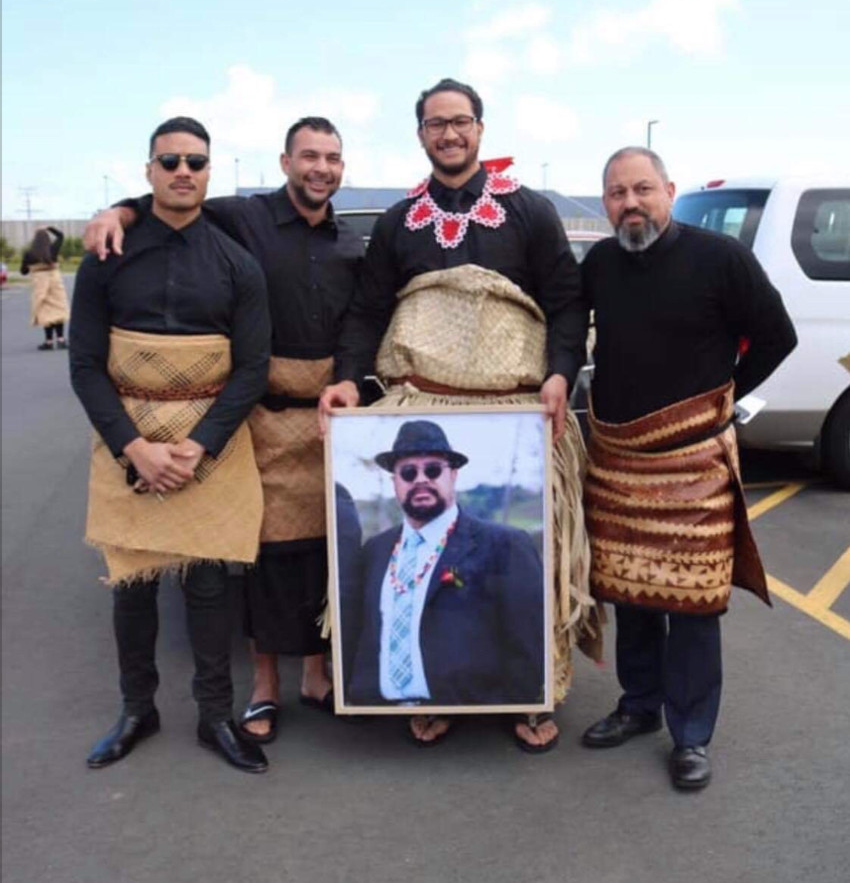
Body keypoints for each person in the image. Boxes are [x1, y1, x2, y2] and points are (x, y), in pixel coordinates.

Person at [320, 78, 597, 752]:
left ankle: (532, 695)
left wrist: (561, 373)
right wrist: (345, 382)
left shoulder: (528, 211)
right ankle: (428, 690)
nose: (449, 133)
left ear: (481, 129)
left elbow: (566, 300)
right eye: (436, 124)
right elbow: (367, 311)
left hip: (517, 409)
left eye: (461, 122)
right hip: (424, 394)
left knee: (529, 565)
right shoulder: (396, 223)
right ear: (420, 134)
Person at [82, 116, 364, 742]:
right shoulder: (243, 220)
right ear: (285, 162)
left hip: (307, 419)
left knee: (311, 553)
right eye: (309, 156)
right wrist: (117, 212)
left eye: (333, 157)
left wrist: (347, 377)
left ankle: (288, 688)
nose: (321, 167)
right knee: (234, 560)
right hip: (234, 419)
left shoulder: (347, 242)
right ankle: (219, 697)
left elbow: (357, 323)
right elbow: (86, 358)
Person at [579, 146, 797, 791]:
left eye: (642, 189)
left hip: (695, 458)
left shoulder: (720, 258)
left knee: (696, 603)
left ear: (669, 191)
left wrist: (721, 395)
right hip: (618, 459)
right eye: (617, 194)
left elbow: (777, 334)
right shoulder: (600, 263)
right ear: (605, 203)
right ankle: (639, 705)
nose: (631, 204)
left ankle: (692, 734)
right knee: (632, 593)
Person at [70, 116, 272, 773]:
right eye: (170, 161)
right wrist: (133, 446)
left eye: (195, 161)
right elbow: (84, 364)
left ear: (210, 172)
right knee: (131, 585)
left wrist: (199, 445)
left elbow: (251, 367)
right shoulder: (106, 259)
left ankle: (215, 715)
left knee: (209, 582)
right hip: (127, 442)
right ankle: (137, 708)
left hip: (205, 445)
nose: (183, 171)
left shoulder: (238, 263)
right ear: (149, 170)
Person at [346, 420, 545, 712]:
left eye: (433, 469)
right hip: (378, 724)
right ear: (395, 482)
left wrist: (516, 713)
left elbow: (526, 645)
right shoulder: (374, 551)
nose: (421, 479)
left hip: (468, 721)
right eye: (409, 472)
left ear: (453, 475)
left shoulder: (504, 545)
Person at [20, 226, 70, 349]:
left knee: (45, 312)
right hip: (55, 283)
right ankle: (61, 339)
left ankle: (48, 341)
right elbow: (61, 235)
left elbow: (23, 271)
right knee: (58, 310)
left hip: (40, 284)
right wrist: (49, 228)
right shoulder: (53, 250)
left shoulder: (29, 254)